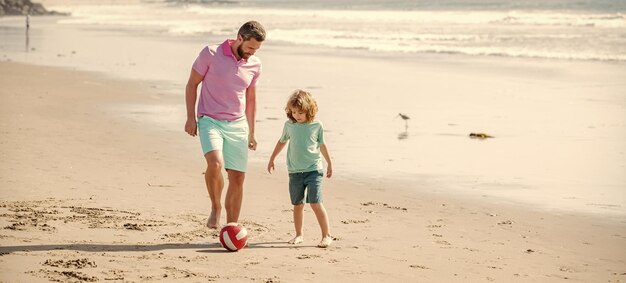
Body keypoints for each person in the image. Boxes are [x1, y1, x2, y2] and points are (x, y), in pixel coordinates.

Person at [184, 21, 265, 229]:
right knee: (215, 163)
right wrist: (190, 117)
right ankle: (215, 206)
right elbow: (192, 84)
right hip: (209, 120)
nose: (251, 53)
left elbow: (252, 99)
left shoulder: (254, 64)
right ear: (239, 38)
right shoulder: (210, 53)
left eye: (256, 49)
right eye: (250, 47)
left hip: (237, 124)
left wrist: (252, 132)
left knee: (237, 178)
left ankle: (231, 227)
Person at [267, 90, 334, 248]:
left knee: (315, 203)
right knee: (297, 204)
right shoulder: (289, 125)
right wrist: (272, 158)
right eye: (294, 112)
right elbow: (282, 141)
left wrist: (329, 163)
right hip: (295, 171)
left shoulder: (317, 125)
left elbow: (322, 145)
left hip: (313, 170)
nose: (297, 115)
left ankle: (326, 235)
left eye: (301, 112)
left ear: (309, 110)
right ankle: (299, 235)